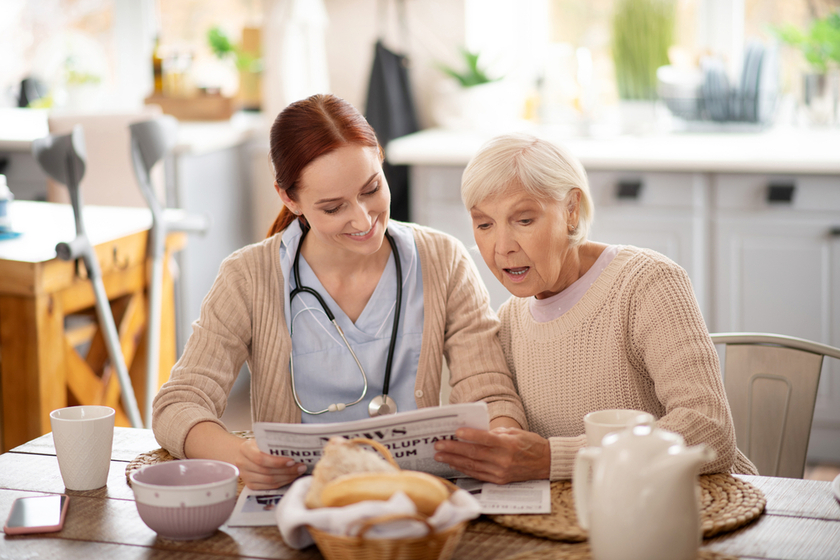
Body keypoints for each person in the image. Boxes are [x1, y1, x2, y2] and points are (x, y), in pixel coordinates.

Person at [152, 94, 525, 489]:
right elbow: (179, 403)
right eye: (333, 208)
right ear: (289, 199)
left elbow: (489, 391)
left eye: (371, 189)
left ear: (380, 159)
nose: (363, 219)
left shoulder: (442, 259)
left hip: (412, 496)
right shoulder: (248, 277)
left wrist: (501, 437)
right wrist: (239, 456)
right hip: (303, 499)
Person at [433, 133, 758, 483]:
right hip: (585, 516)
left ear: (571, 210)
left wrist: (551, 459)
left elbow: (709, 430)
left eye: (524, 220)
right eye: (484, 225)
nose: (502, 247)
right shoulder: (509, 322)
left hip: (698, 506)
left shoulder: (646, 283)